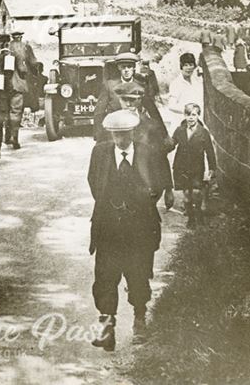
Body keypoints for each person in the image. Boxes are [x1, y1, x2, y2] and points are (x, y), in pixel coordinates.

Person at [88, 109, 164, 352]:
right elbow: (93, 182)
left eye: (125, 135)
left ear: (133, 132)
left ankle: (139, 321)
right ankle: (107, 327)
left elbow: (157, 185)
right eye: (116, 135)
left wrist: (139, 204)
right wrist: (111, 206)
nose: (121, 140)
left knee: (139, 274)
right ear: (110, 135)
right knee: (105, 277)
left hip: (139, 228)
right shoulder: (100, 153)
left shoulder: (146, 153)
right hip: (108, 228)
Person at [94, 52, 168, 146]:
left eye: (129, 67)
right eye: (123, 67)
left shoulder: (141, 85)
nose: (126, 70)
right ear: (119, 68)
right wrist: (98, 135)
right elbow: (99, 111)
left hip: (136, 128)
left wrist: (164, 134)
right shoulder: (109, 85)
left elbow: (152, 110)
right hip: (115, 129)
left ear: (133, 68)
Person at [171, 103, 217, 228]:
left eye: (193, 115)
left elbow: (210, 151)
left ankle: (199, 214)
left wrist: (212, 168)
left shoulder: (203, 132)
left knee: (197, 193)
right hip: (181, 167)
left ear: (198, 116)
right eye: (188, 115)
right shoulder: (179, 130)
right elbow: (172, 144)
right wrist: (163, 148)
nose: (190, 118)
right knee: (186, 196)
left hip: (197, 167)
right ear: (184, 115)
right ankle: (191, 218)